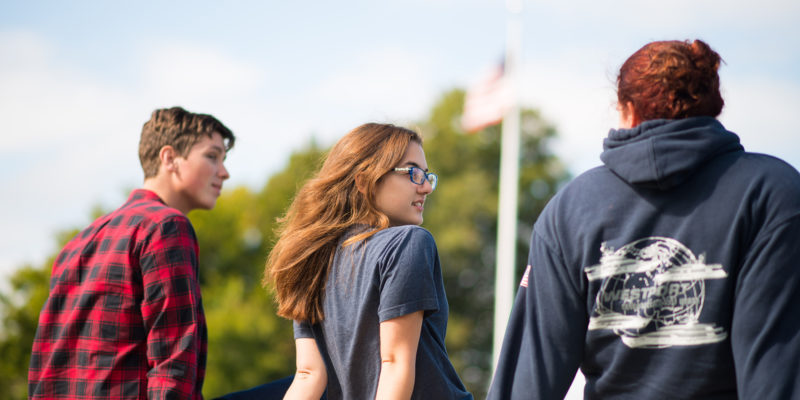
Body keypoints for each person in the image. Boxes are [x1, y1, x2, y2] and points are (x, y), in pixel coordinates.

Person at [488, 39, 800, 399]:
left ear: (627, 109)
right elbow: (775, 373)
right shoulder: (773, 194)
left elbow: (527, 380)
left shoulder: (569, 210)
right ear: (713, 106)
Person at [29, 106, 235, 399]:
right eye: (212, 156)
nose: (224, 173)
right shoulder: (166, 226)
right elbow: (173, 362)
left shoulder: (75, 245)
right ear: (169, 158)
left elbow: (45, 369)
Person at [264, 123, 473, 399]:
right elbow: (395, 363)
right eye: (413, 172)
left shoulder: (312, 262)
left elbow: (307, 376)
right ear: (364, 181)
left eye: (426, 175)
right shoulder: (408, 242)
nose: (426, 187)